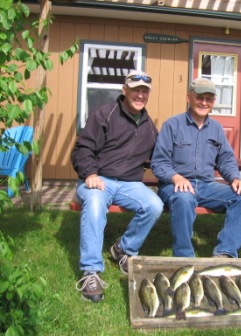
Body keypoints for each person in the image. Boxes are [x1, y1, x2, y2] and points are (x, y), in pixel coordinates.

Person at [71, 70, 164, 302]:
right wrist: (90, 173)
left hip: (129, 184)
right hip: (98, 179)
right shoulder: (104, 114)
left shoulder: (149, 127)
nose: (140, 95)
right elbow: (82, 149)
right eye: (135, 90)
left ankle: (123, 249)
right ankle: (91, 271)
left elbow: (163, 156)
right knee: (93, 204)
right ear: (125, 90)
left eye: (144, 91)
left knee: (154, 205)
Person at [151, 78, 241, 258]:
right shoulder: (172, 125)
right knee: (184, 198)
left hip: (206, 186)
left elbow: (226, 159)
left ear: (213, 102)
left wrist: (235, 179)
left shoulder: (216, 129)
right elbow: (159, 163)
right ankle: (184, 257)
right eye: (199, 97)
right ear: (189, 97)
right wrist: (176, 177)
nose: (204, 102)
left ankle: (225, 252)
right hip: (173, 186)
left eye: (209, 99)